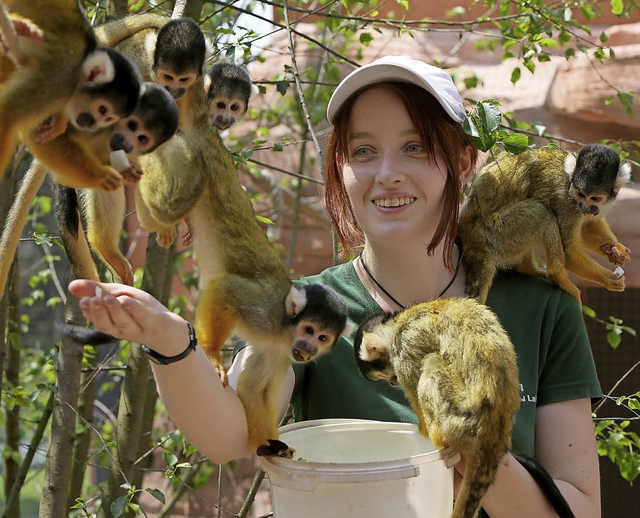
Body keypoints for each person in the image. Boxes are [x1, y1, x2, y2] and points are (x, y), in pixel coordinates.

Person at [68, 55, 602, 517]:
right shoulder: (313, 306)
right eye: (363, 151)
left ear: (462, 161)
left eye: (415, 147)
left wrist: (479, 454)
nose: (387, 172)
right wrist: (169, 341)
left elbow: (579, 506)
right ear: (340, 169)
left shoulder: (542, 309)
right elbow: (229, 434)